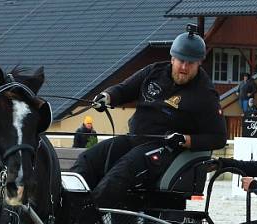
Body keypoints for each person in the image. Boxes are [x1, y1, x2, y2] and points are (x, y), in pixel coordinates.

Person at [71, 25, 226, 208]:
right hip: (134, 139)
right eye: (181, 61)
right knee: (88, 160)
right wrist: (106, 97)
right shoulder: (154, 72)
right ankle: (68, 207)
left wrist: (185, 140)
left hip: (162, 149)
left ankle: (87, 217)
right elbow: (124, 89)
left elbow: (218, 138)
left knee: (121, 172)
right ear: (172, 58)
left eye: (190, 63)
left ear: (199, 63)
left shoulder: (205, 95)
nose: (184, 67)